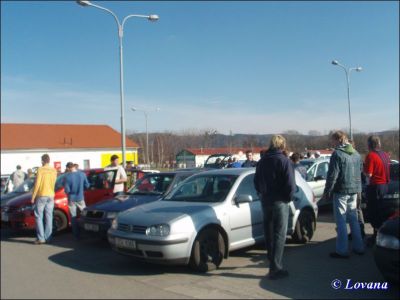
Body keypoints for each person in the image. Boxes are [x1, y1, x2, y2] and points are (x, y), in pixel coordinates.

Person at [254, 135, 296, 280]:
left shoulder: (262, 161)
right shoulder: (284, 161)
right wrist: (288, 198)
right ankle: (275, 268)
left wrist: (262, 194)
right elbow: (290, 184)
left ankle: (272, 261)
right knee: (279, 235)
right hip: (279, 201)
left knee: (269, 233)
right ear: (282, 145)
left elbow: (256, 181)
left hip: (265, 201)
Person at [322, 131, 364, 258]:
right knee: (353, 219)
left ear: (338, 140)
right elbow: (360, 171)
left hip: (341, 190)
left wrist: (327, 191)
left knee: (341, 221)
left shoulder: (337, 154)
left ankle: (342, 250)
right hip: (354, 189)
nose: (331, 143)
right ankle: (359, 247)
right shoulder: (356, 154)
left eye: (332, 140)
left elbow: (332, 175)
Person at [363, 135, 390, 246]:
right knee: (382, 212)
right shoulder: (385, 155)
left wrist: (363, 170)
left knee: (374, 213)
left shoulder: (370, 156)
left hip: (375, 187)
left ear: (369, 144)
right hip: (385, 185)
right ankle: (378, 235)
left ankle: (376, 237)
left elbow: (369, 174)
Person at [31, 154, 57, 245]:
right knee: (49, 216)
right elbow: (54, 182)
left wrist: (33, 196)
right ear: (49, 160)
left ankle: (41, 238)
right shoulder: (54, 170)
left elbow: (37, 183)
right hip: (51, 195)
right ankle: (48, 237)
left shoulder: (40, 170)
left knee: (38, 216)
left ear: (42, 161)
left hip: (42, 194)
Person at [64, 162, 90, 239]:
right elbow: (87, 185)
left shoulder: (67, 177)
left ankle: (76, 235)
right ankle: (87, 231)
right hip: (80, 197)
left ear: (68, 168)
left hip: (71, 199)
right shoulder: (82, 174)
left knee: (73, 217)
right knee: (85, 215)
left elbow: (67, 190)